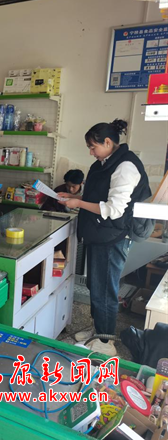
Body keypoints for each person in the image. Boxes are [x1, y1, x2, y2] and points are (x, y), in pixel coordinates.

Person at [59, 119, 151, 356]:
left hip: (113, 237)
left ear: (108, 142)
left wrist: (78, 203)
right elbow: (98, 195)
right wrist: (75, 197)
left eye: (93, 147)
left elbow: (114, 209)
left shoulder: (125, 166)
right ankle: (99, 329)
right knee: (96, 285)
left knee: (105, 288)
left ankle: (105, 342)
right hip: (99, 234)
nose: (91, 152)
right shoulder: (105, 162)